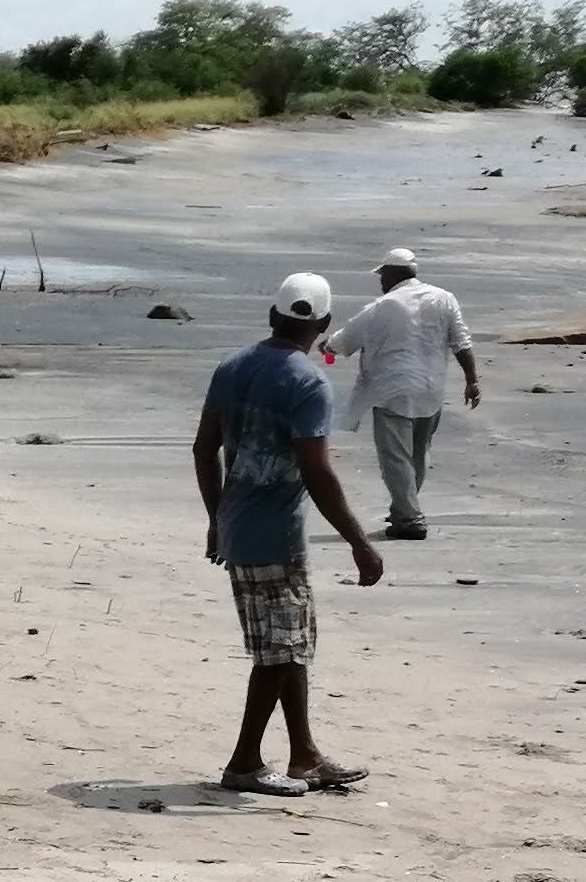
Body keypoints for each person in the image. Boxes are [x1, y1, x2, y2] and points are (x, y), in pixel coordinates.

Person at [193, 273, 388, 797]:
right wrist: (359, 541)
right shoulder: (308, 381)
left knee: (288, 646)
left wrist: (218, 516)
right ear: (322, 326)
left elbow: (203, 447)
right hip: (276, 535)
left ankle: (304, 755)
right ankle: (244, 762)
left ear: (272, 316)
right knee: (279, 653)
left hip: (240, 527)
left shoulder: (233, 366)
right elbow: (317, 472)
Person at [335, 247, 479, 541]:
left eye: (382, 275)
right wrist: (472, 380)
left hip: (393, 391)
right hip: (431, 389)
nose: (380, 281)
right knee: (418, 454)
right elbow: (461, 342)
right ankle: (403, 511)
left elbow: (347, 337)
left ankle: (411, 519)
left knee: (395, 457)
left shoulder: (383, 306)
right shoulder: (444, 298)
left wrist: (328, 347)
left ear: (392, 274)